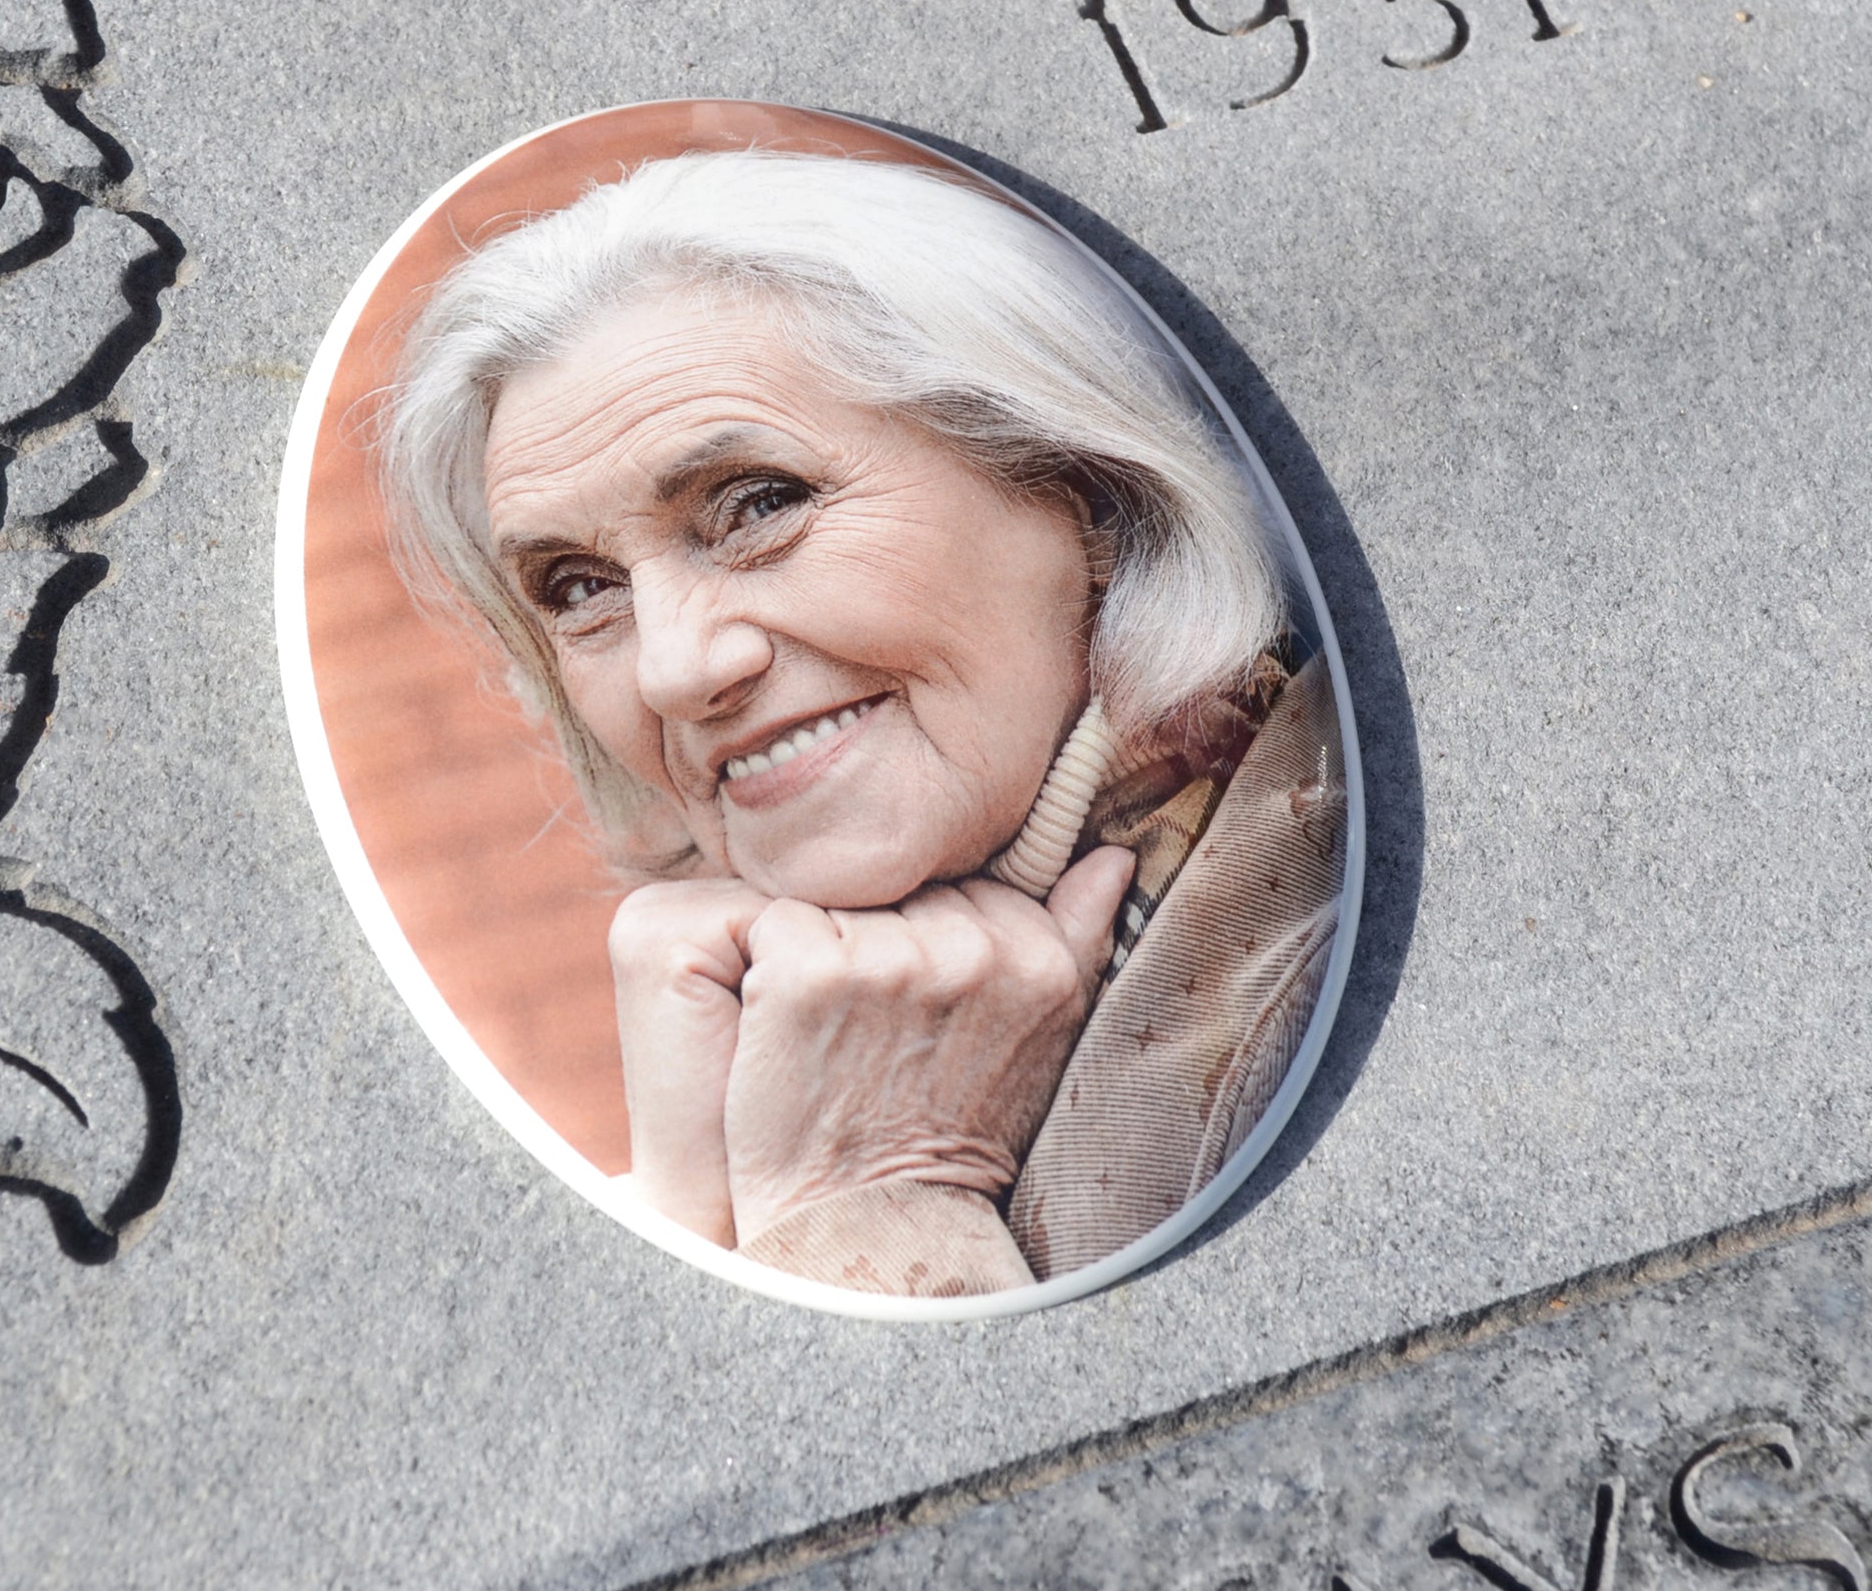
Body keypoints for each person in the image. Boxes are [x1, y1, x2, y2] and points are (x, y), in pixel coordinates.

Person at [380, 147, 1345, 1297]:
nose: (676, 668)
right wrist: (695, 1209)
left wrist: (865, 1202)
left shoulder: (1307, 979)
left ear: (1081, 490)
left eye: (758, 505)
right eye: (582, 589)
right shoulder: (743, 998)